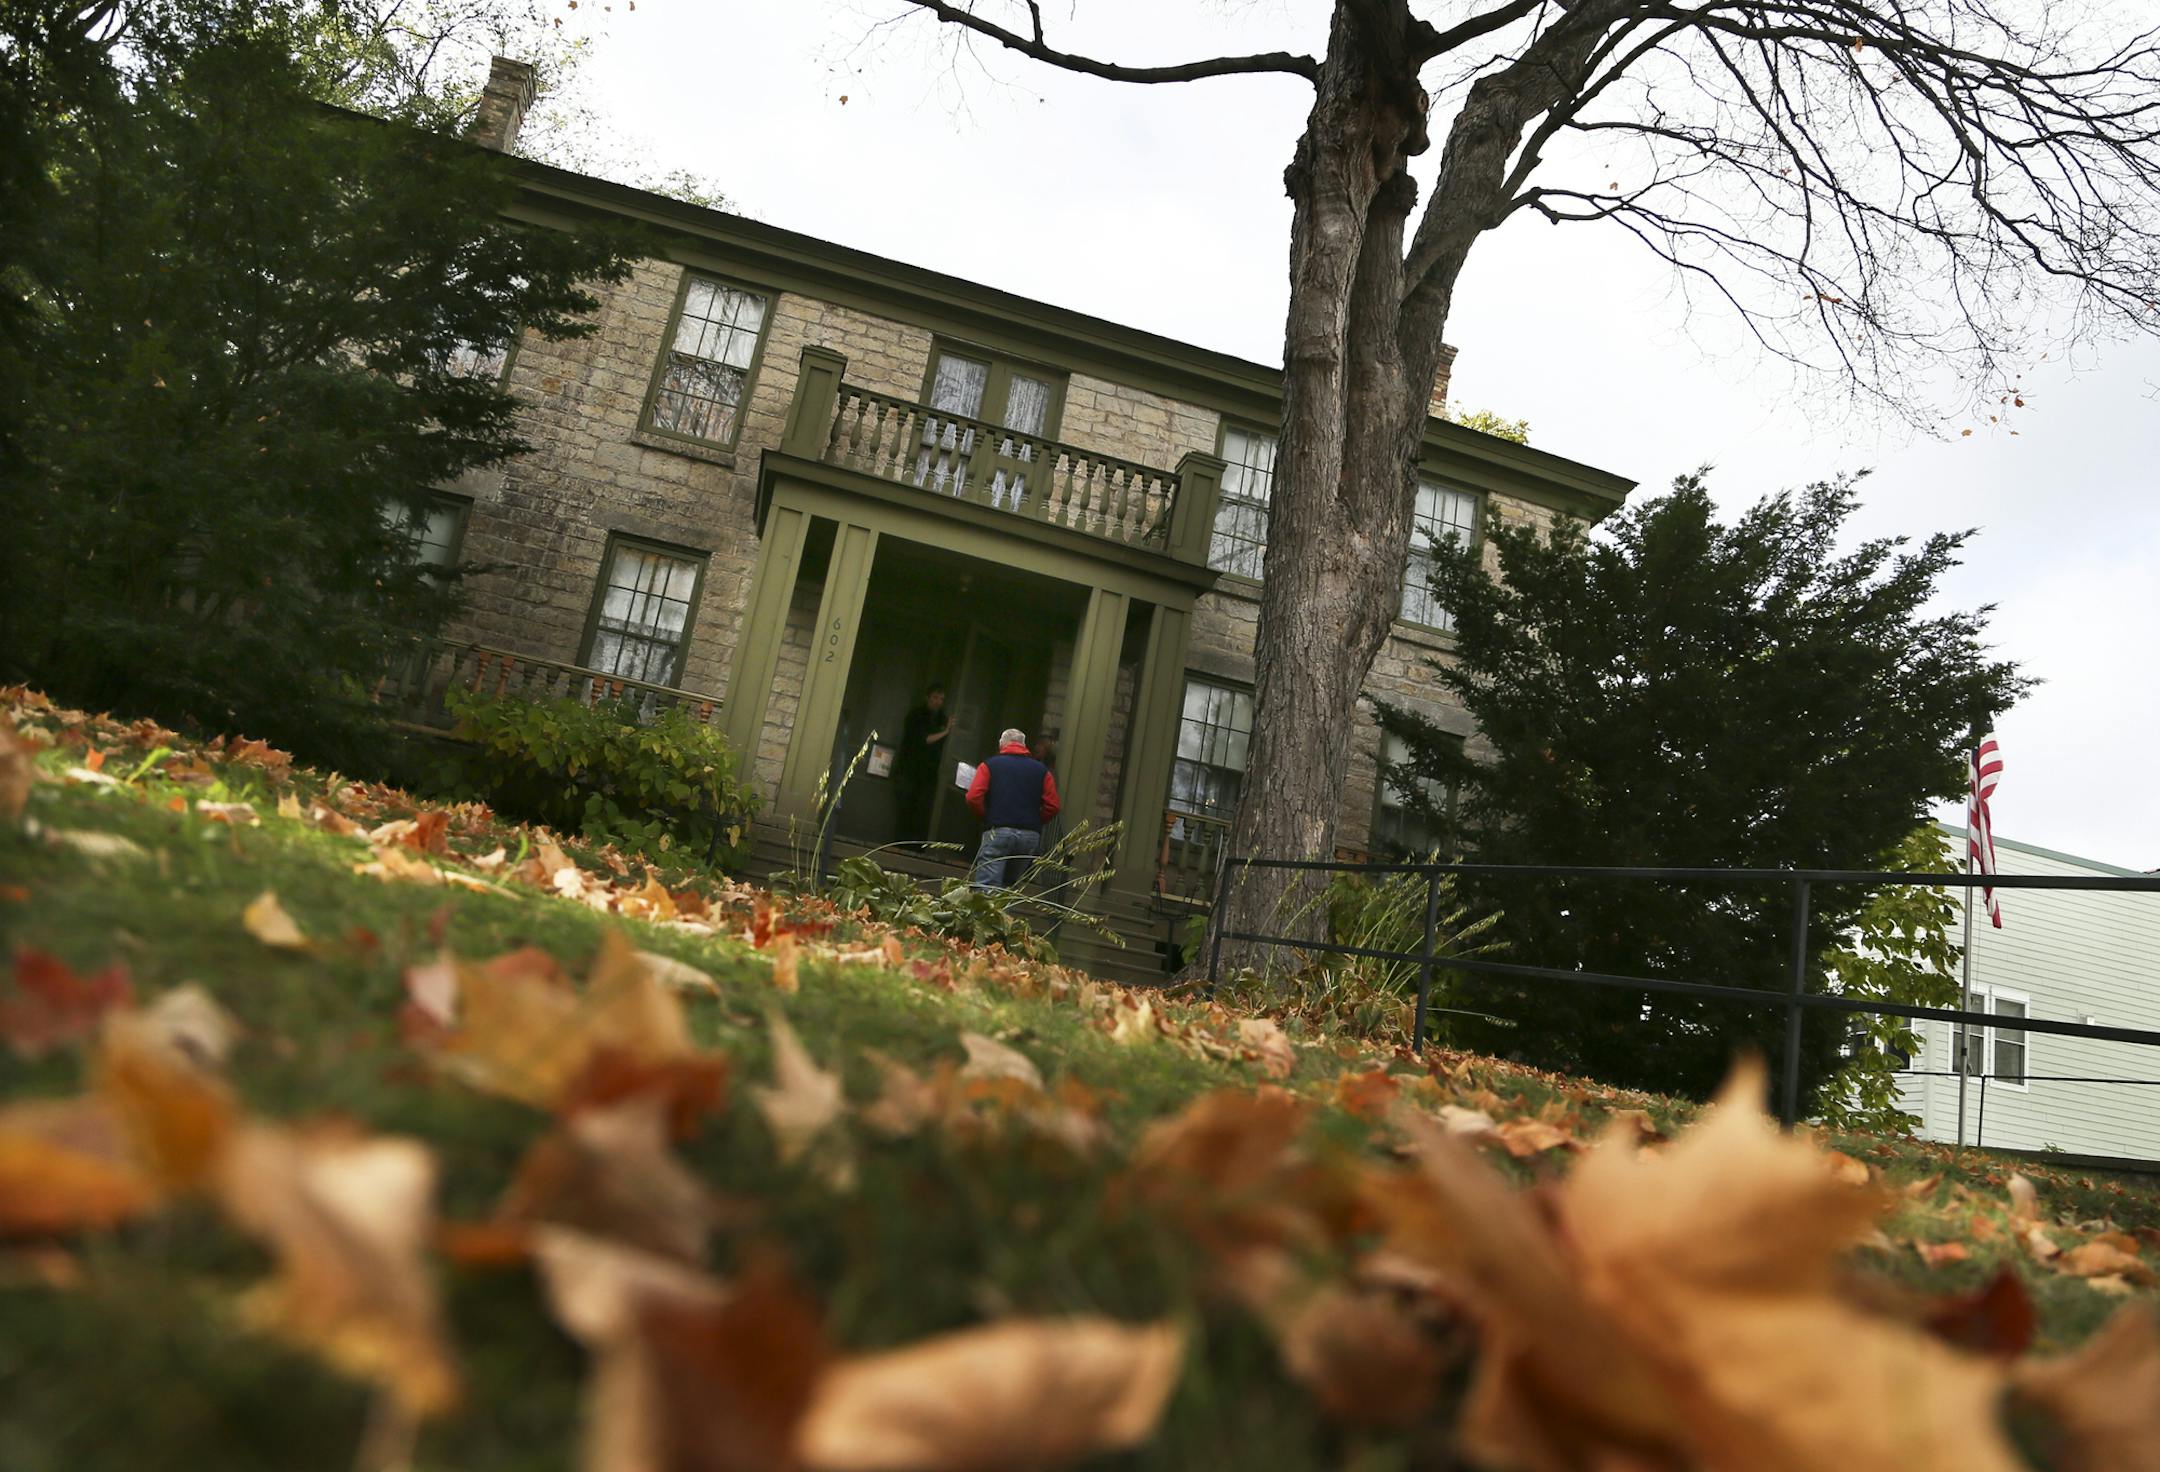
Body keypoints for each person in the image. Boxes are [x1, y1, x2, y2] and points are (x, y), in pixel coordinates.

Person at [965, 726, 1061, 889]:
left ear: (1002, 744)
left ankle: (986, 914)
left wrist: (985, 817)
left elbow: (973, 797)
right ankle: (1003, 914)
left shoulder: (990, 765)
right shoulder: (1042, 771)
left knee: (987, 886)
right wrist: (1035, 821)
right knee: (1008, 888)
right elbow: (1053, 805)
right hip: (1029, 836)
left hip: (998, 829)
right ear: (1023, 746)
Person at [892, 683, 950, 842]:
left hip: (928, 773)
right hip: (910, 769)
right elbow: (923, 739)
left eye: (941, 699)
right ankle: (900, 843)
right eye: (935, 698)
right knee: (906, 808)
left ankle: (913, 845)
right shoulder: (916, 715)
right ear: (928, 697)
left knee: (921, 811)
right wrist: (945, 732)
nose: (938, 702)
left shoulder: (941, 718)